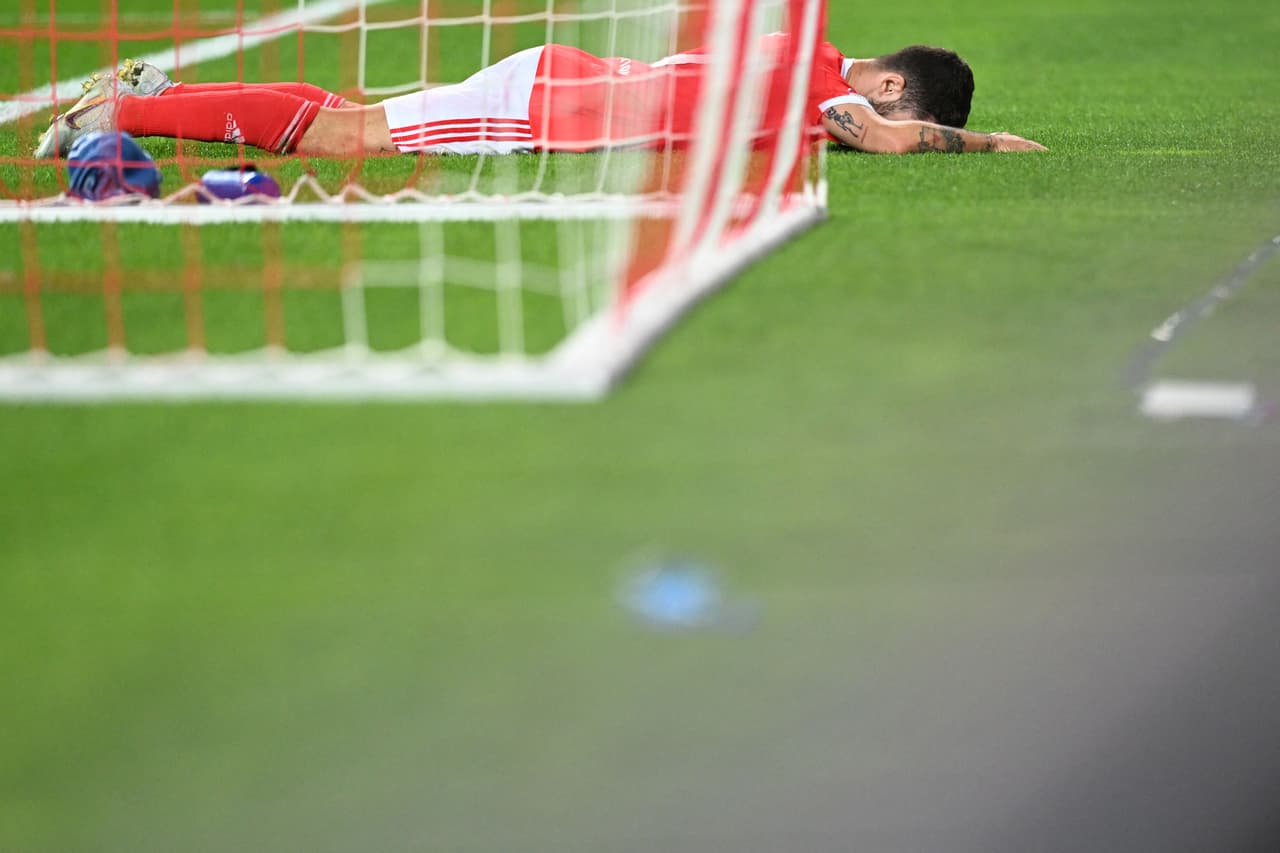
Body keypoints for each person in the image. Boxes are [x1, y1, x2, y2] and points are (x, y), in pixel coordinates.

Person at [35, 39, 1045, 161]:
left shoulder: (805, 55)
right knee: (353, 136)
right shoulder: (834, 94)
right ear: (892, 86)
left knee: (359, 108)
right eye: (909, 109)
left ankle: (154, 90)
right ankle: (121, 116)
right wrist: (982, 145)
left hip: (561, 86)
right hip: (550, 112)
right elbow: (857, 133)